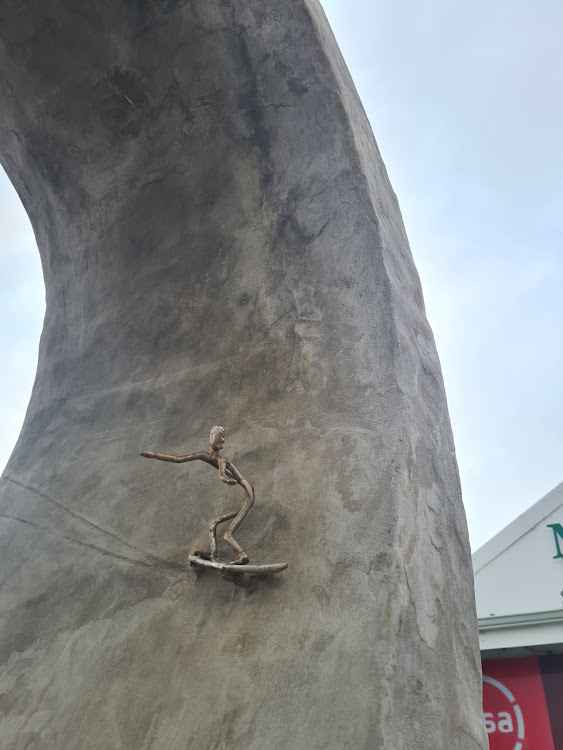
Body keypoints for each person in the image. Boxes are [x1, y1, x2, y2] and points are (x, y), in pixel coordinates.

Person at [140, 426, 254, 564]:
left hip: (248, 493)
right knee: (213, 524)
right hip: (244, 489)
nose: (214, 438)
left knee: (227, 535)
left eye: (217, 436)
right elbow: (178, 459)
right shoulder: (204, 455)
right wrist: (153, 455)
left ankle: (241, 556)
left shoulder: (222, 461)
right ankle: (214, 553)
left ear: (220, 442)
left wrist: (226, 479)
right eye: (213, 435)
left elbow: (222, 474)